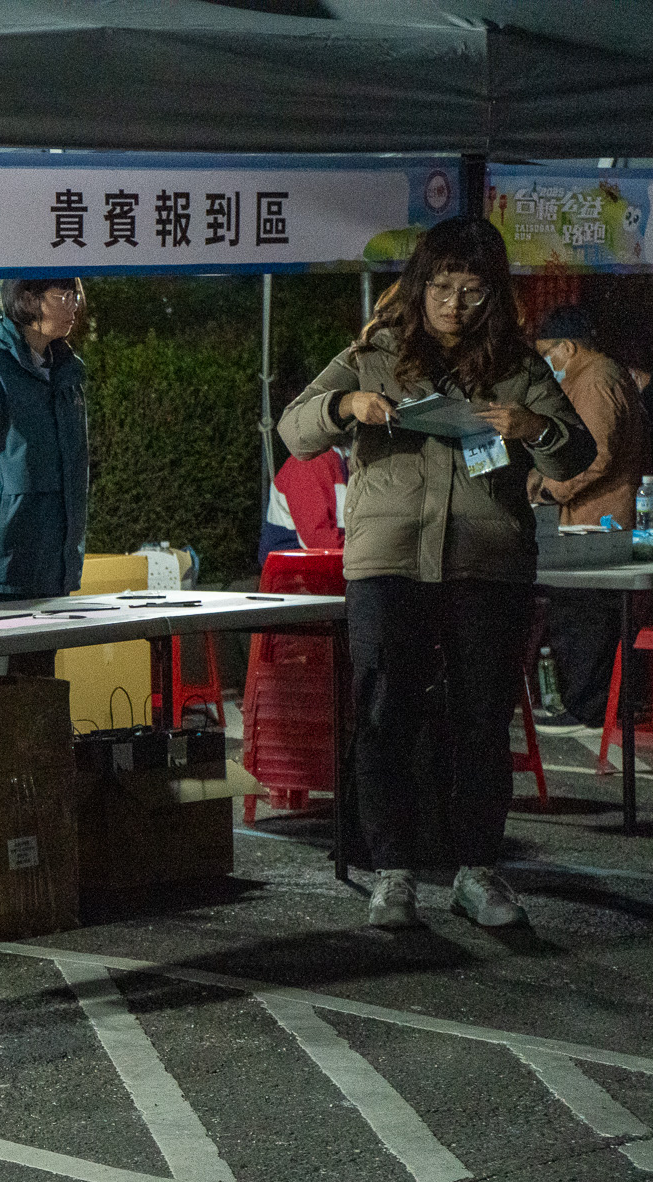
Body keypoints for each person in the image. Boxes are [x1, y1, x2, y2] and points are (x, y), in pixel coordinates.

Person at [279, 216, 595, 931]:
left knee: (483, 719)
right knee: (384, 714)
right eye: (443, 288)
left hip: (488, 566)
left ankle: (477, 872)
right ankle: (392, 872)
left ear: (494, 295)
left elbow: (575, 455)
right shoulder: (373, 354)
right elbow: (294, 431)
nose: (455, 305)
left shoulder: (518, 366)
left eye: (473, 291)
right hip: (388, 563)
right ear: (421, 286)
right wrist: (345, 405)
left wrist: (535, 428)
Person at [529, 306, 652, 733]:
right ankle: (594, 704)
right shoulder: (600, 375)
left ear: (567, 347)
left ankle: (587, 709)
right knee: (585, 615)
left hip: (597, 520)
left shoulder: (594, 379)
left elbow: (595, 456)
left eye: (546, 353)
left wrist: (550, 490)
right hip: (598, 517)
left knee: (582, 615)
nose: (545, 363)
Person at [0, 277, 89, 605]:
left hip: (50, 571)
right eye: (63, 296)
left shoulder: (67, 372)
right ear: (29, 299)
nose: (73, 307)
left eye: (75, 297)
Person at [258, 446, 350, 565]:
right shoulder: (310, 463)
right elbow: (318, 540)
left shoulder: (336, 460)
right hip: (295, 568)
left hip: (317, 564)